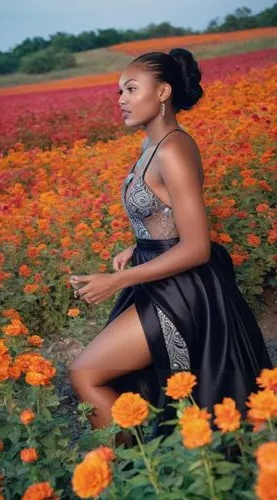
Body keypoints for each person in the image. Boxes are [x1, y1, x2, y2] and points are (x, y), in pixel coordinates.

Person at [68, 48, 273, 448]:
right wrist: (138, 244)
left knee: (84, 373)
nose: (121, 99)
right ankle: (149, 467)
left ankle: (133, 473)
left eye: (130, 89)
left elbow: (196, 246)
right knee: (117, 380)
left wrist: (118, 280)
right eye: (119, 92)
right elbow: (167, 216)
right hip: (160, 276)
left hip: (184, 289)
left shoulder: (173, 149)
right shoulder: (152, 145)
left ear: (162, 92)